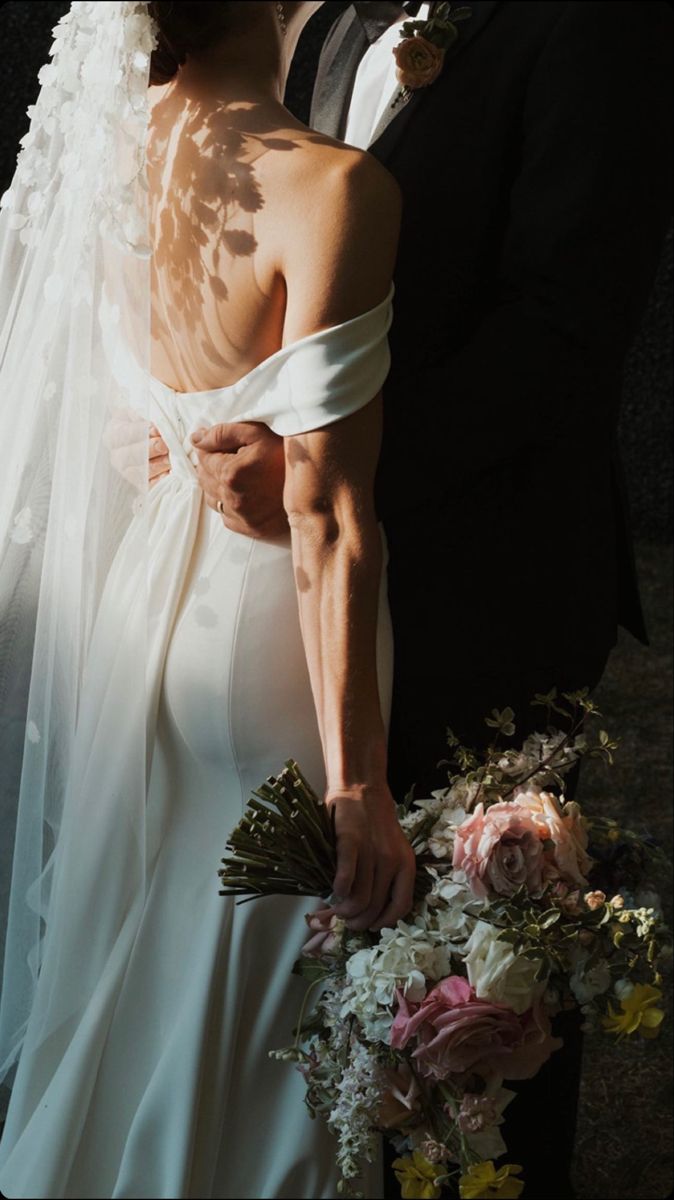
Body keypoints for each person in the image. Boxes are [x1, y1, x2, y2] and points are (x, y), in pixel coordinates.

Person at [159, 3, 672, 1196]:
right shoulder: (328, 12)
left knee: (486, 996)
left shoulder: (596, 30)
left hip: (492, 589)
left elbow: (560, 334)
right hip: (323, 595)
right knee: (339, 970)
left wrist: (328, 478)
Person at [0, 3, 416, 1197]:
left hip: (146, 608)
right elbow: (329, 516)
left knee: (151, 944)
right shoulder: (331, 189)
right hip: (263, 639)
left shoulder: (116, 149)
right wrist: (357, 788)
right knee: (259, 983)